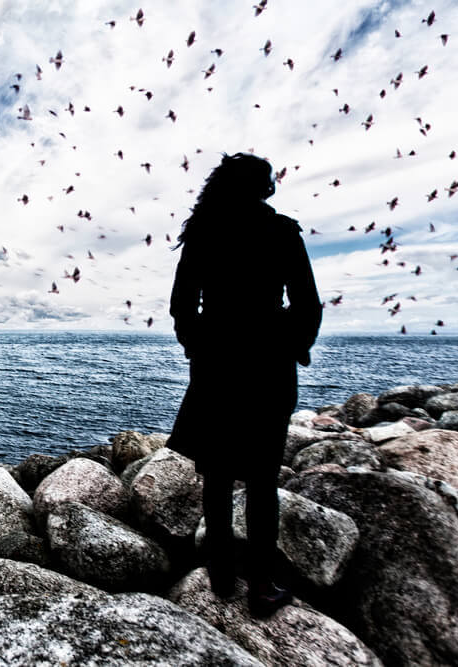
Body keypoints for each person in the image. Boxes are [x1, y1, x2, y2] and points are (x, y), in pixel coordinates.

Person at [166, 152, 322, 617]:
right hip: (267, 365)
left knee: (215, 472)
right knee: (261, 478)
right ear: (263, 188)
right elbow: (307, 303)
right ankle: (260, 584)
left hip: (216, 364)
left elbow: (181, 304)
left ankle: (220, 572)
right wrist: (294, 345)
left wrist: (198, 346)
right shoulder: (280, 231)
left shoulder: (202, 232)